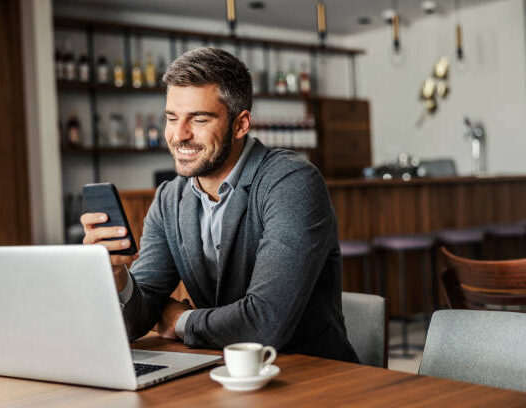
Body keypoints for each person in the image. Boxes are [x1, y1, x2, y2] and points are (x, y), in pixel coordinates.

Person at [81, 47, 358, 362]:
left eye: (198, 119)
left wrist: (179, 320)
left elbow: (266, 323)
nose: (179, 135)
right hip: (222, 371)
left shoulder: (291, 181)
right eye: (172, 118)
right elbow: (139, 315)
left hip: (314, 376)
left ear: (240, 125)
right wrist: (117, 275)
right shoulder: (169, 199)